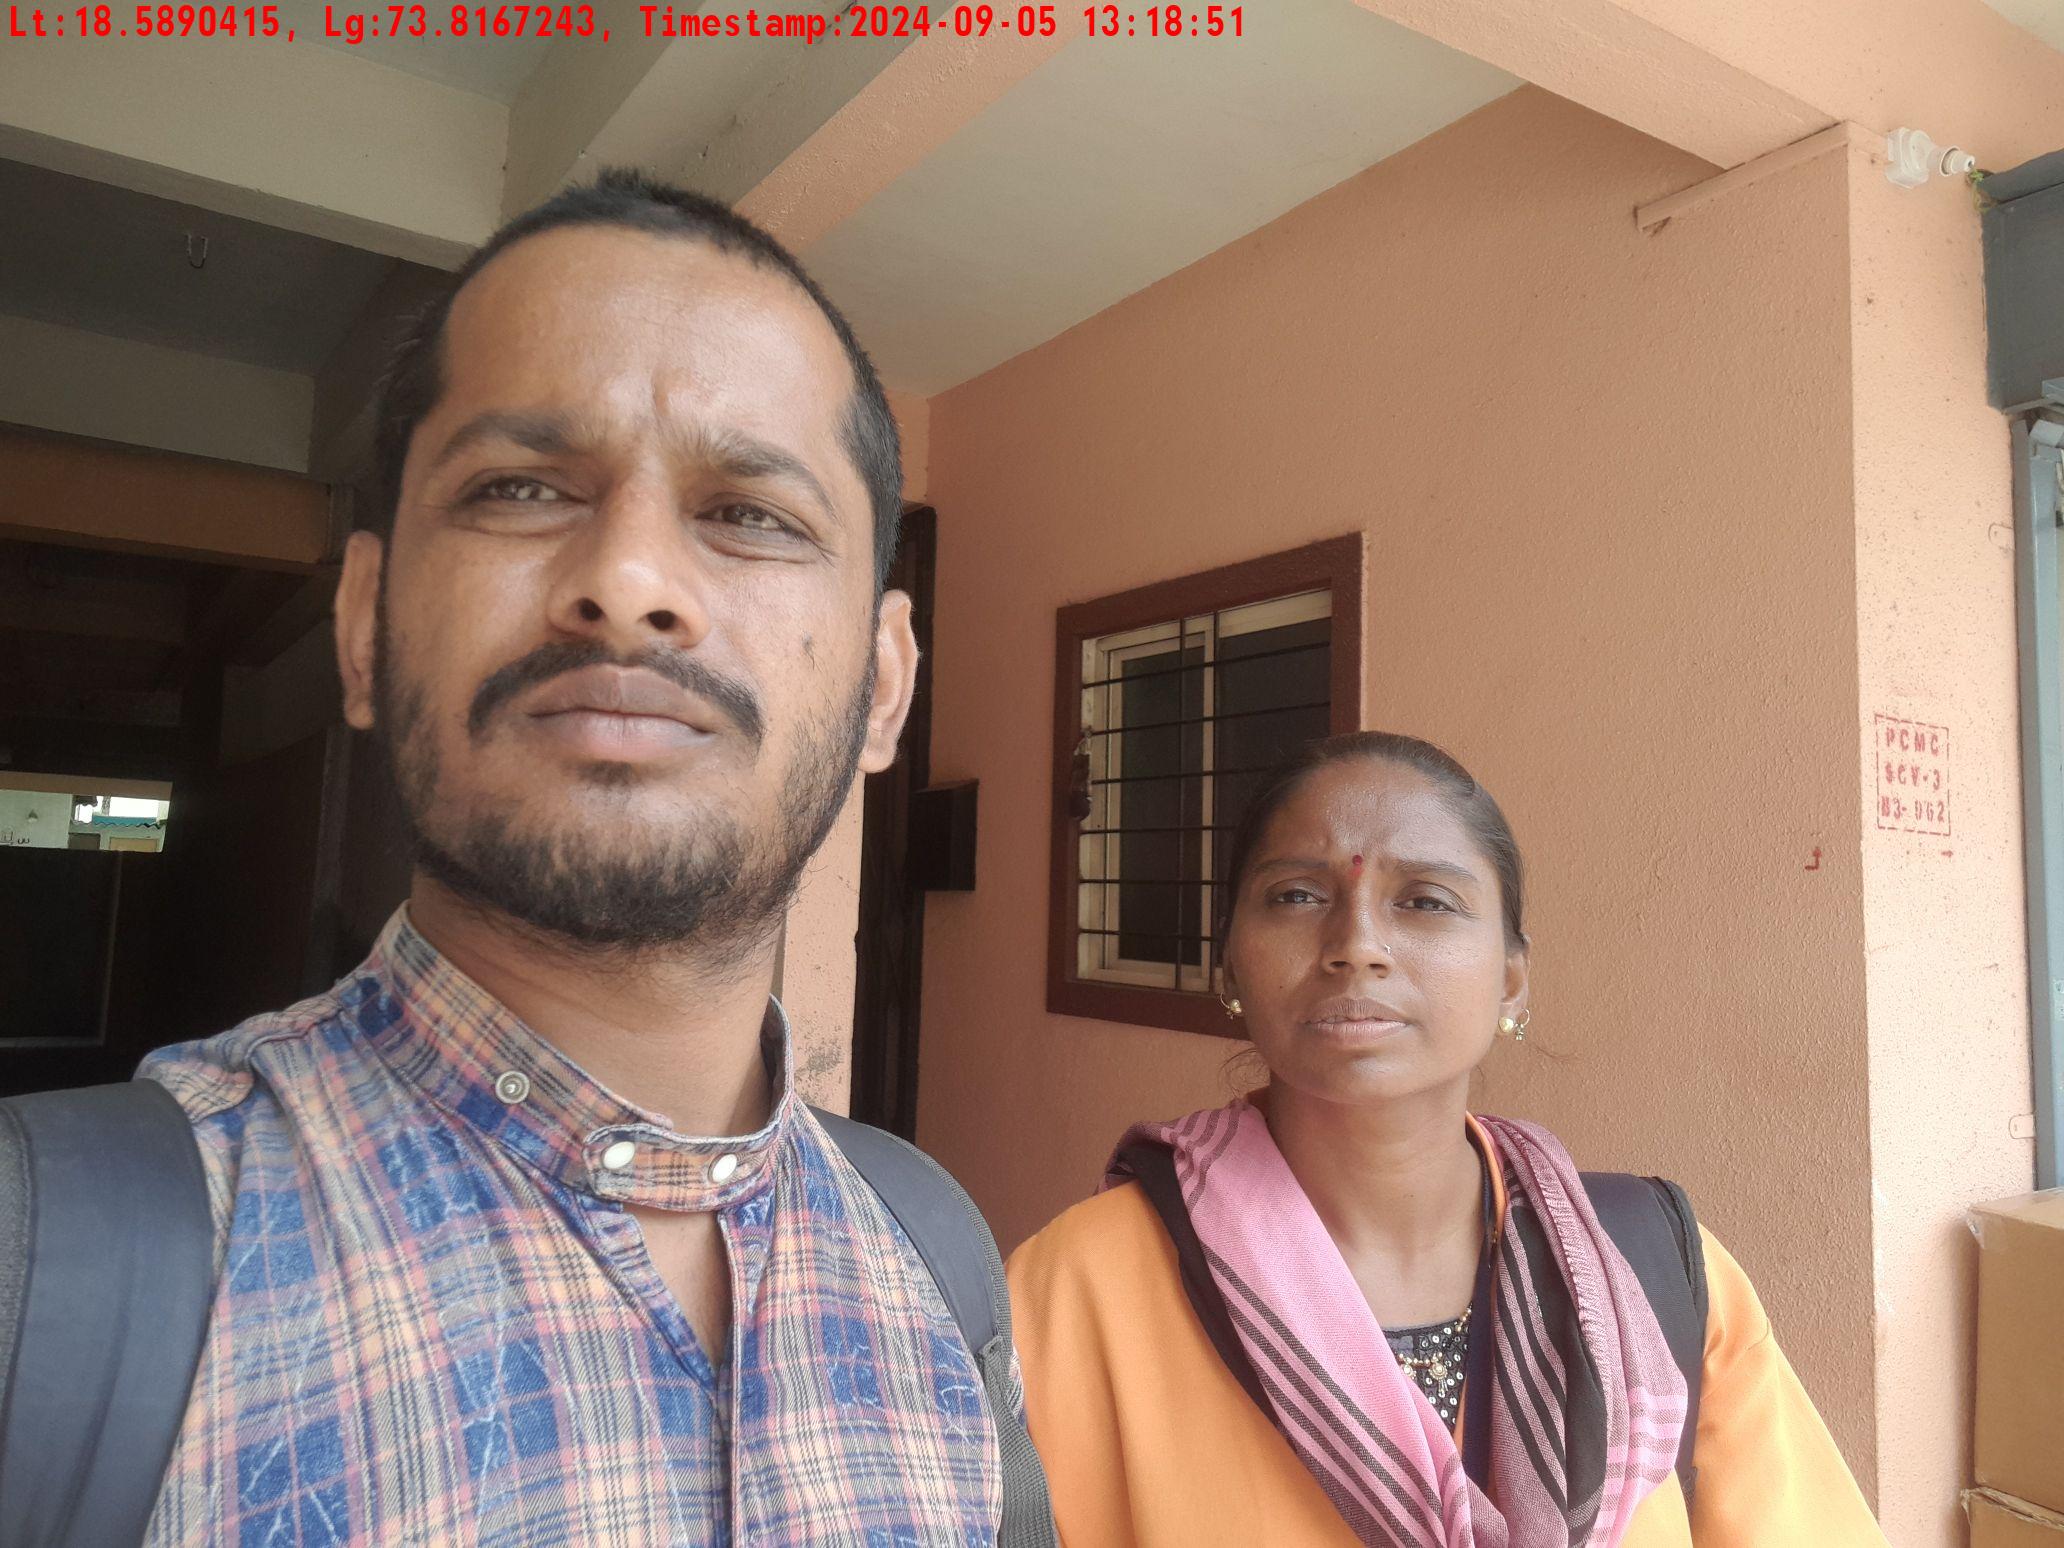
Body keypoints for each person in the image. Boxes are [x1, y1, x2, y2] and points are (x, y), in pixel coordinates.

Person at [124, 171, 1015, 1544]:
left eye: (751, 513)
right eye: (522, 488)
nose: (631, 580)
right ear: (364, 625)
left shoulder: (940, 1262)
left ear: (885, 685)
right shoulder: (61, 1277)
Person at [1006, 731, 1887, 1547]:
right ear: (1229, 963)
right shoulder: (1077, 1287)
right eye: (1298, 895)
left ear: (1511, 980)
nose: (1357, 946)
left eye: (1426, 901)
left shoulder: (1655, 1274)